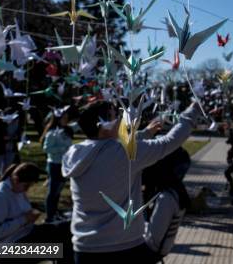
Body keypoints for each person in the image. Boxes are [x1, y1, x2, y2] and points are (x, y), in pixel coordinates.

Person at [62, 100, 199, 263]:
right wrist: (192, 112)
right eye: (114, 116)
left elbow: (109, 149)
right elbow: (167, 142)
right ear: (102, 125)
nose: (121, 119)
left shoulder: (75, 153)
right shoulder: (124, 154)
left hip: (84, 249)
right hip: (123, 248)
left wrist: (145, 133)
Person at [0, 163, 73, 263]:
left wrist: (29, 217)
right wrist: (24, 219)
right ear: (16, 179)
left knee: (66, 228)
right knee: (60, 249)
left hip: (25, 235)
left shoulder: (16, 190)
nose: (27, 190)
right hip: (6, 251)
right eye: (26, 186)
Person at [142, 146, 191, 260]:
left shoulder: (166, 198)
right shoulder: (176, 189)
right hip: (159, 246)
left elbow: (153, 238)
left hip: (153, 250)